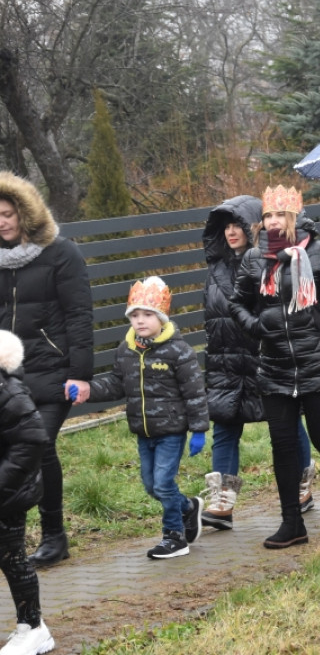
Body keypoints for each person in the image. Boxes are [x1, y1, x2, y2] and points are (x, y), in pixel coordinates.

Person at [229, 186, 320, 547]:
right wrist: (256, 326)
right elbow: (237, 304)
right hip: (274, 367)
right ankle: (292, 523)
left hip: (316, 363)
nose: (273, 221)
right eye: (268, 216)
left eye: (280, 214)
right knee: (283, 445)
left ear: (293, 218)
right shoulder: (253, 259)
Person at [67, 277, 208, 560]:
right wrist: (89, 390)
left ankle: (174, 537)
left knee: (163, 483)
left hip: (171, 430)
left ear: (161, 317)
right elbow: (117, 383)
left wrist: (199, 429)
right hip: (143, 431)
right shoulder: (126, 351)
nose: (140, 321)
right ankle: (189, 508)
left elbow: (194, 392)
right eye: (135, 315)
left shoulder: (178, 352)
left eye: (147, 315)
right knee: (150, 485)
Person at [200, 195, 315, 531]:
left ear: (253, 227)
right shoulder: (216, 268)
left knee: (287, 424)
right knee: (224, 427)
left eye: (238, 224)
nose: (231, 232)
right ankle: (222, 501)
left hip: (264, 357)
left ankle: (301, 486)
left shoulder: (268, 263)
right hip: (226, 362)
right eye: (226, 226)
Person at [0, 171, 93, 568]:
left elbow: (79, 315)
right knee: (12, 450)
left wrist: (80, 373)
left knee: (42, 446)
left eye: (6, 213)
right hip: (11, 373)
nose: (1, 222)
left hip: (55, 371)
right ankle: (13, 536)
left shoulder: (62, 253)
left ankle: (54, 534)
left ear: (25, 212)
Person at [0, 331, 54, 654]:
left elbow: (32, 440)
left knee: (12, 559)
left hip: (9, 495)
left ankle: (32, 627)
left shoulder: (9, 392)